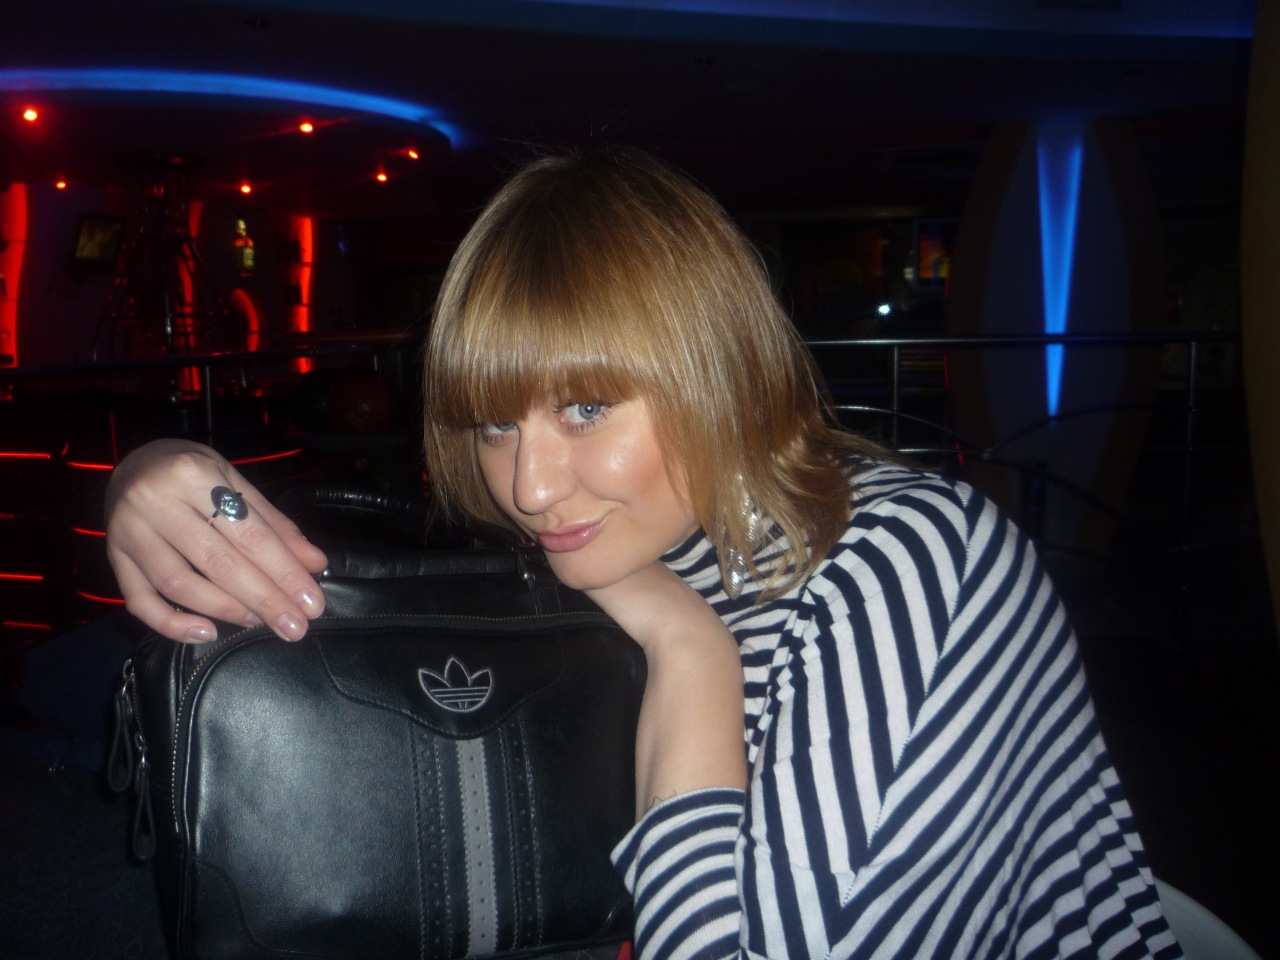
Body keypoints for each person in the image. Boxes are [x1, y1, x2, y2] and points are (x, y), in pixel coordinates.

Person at [105, 148, 1181, 959]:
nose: (528, 488)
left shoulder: (901, 561)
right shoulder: (623, 532)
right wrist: (149, 474)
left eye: (585, 407)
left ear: (717, 369)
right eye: (495, 423)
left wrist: (687, 647)